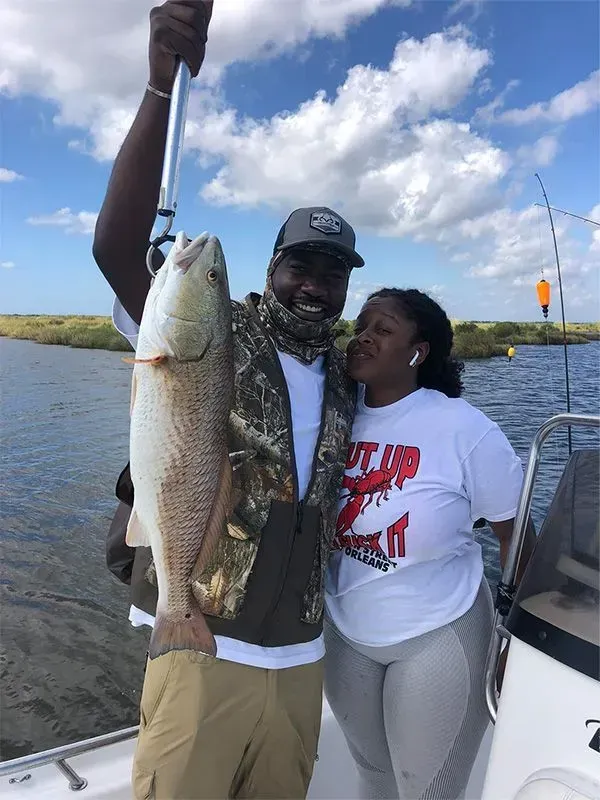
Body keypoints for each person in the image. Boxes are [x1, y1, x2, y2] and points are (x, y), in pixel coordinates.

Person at [93, 2, 365, 798]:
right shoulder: (217, 330)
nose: (316, 284)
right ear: (273, 267)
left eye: (334, 271)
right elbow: (117, 245)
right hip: (202, 637)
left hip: (303, 655)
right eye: (302, 265)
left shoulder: (351, 373)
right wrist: (156, 89)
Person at [323, 289, 535, 800]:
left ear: (417, 352)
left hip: (438, 635)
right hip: (346, 633)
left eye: (383, 329)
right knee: (374, 777)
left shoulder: (464, 430)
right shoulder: (334, 411)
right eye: (362, 325)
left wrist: (515, 643)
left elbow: (518, 539)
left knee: (428, 792)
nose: (363, 337)